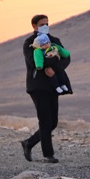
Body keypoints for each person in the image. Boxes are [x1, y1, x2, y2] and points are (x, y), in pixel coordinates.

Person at [21, 14, 70, 164]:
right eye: (42, 24)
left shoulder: (54, 41)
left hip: (53, 85)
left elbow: (66, 58)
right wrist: (53, 61)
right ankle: (48, 154)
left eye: (47, 24)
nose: (45, 26)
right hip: (37, 86)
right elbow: (34, 61)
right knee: (44, 120)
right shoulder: (30, 43)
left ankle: (29, 143)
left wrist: (55, 68)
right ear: (34, 26)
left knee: (53, 122)